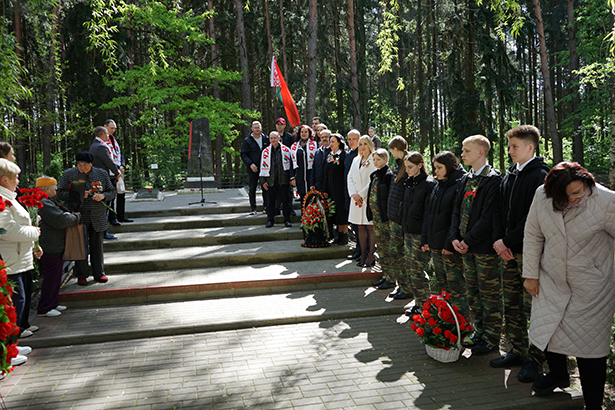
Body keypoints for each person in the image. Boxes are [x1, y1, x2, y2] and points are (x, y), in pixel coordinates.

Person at [523, 162, 615, 410]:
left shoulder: (606, 201)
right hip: (550, 279)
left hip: (592, 286)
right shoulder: (541, 196)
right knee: (549, 331)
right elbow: (533, 233)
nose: (576, 198)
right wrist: (530, 274)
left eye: (579, 192)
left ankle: (593, 404)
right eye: (568, 196)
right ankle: (557, 375)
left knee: (590, 347)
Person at [490, 125, 549, 382]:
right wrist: (499, 241)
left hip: (530, 252)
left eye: (515, 146)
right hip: (508, 251)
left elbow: (533, 219)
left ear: (530, 147)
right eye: (509, 146)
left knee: (532, 307)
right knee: (511, 303)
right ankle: (517, 349)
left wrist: (507, 240)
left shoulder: (541, 176)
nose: (510, 151)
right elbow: (498, 211)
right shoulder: (509, 176)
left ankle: (535, 361)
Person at [449, 135, 502, 355]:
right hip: (464, 247)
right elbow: (456, 211)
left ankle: (491, 338)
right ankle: (479, 331)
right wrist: (454, 237)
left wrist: (467, 240)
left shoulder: (493, 180)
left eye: (466, 150)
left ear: (481, 152)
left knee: (489, 294)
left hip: (482, 249)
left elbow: (488, 216)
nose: (462, 154)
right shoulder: (465, 179)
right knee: (473, 292)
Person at [0, 158, 40, 365]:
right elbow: (7, 230)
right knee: (13, 304)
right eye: (16, 177)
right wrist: (34, 232)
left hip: (19, 259)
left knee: (18, 304)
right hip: (10, 260)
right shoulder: (2, 200)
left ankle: (11, 346)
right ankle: (7, 350)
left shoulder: (10, 198)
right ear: (5, 179)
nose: (18, 181)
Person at [57, 152, 116, 286]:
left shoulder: (101, 173)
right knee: (80, 246)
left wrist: (103, 196)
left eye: (84, 165)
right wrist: (76, 194)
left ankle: (99, 273)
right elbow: (60, 193)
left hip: (97, 215)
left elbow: (112, 191)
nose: (81, 168)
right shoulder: (69, 174)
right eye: (79, 165)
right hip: (79, 215)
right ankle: (81, 274)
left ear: (91, 164)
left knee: (97, 246)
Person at [421, 151, 468, 316]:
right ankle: (446, 321)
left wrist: (449, 244)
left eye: (440, 168)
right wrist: (426, 239)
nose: (436, 172)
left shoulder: (459, 184)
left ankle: (462, 324)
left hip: (449, 247)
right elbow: (429, 214)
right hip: (436, 245)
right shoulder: (438, 184)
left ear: (449, 166)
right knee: (442, 286)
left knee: (456, 287)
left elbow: (456, 218)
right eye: (435, 168)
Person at [36, 176, 80, 317]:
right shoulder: (43, 203)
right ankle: (44, 307)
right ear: (47, 188)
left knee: (56, 276)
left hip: (55, 245)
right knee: (51, 277)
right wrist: (77, 217)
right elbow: (60, 220)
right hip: (50, 246)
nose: (56, 192)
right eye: (55, 189)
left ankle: (52, 303)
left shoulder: (46, 201)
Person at [401, 152, 436, 312]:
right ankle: (418, 303)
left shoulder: (429, 184)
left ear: (420, 165)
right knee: (410, 268)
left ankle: (426, 307)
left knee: (417, 270)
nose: (407, 170)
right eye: (405, 167)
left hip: (420, 235)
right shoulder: (410, 182)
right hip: (408, 232)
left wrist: (425, 238)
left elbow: (428, 213)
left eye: (410, 167)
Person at [347, 135, 377, 266]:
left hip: (366, 198)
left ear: (370, 145)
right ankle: (362, 254)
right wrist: (354, 194)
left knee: (369, 227)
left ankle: (371, 255)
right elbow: (350, 178)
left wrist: (361, 194)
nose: (363, 146)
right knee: (359, 226)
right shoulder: (355, 160)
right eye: (360, 144)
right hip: (356, 199)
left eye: (365, 143)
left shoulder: (373, 160)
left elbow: (373, 180)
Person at [386, 136, 410, 297]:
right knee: (394, 253)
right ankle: (401, 285)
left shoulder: (407, 165)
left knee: (397, 253)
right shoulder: (399, 165)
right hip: (394, 216)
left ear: (396, 149)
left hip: (400, 218)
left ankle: (407, 288)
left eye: (392, 151)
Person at [367, 149, 394, 287]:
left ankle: (391, 277)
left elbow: (389, 198)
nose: (376, 162)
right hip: (376, 218)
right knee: (381, 248)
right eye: (374, 159)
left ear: (385, 160)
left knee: (387, 247)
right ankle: (385, 274)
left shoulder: (389, 176)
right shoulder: (374, 175)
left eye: (378, 159)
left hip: (385, 219)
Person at [90, 126, 120, 240]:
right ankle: (103, 232)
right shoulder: (101, 147)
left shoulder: (95, 145)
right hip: (103, 179)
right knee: (106, 206)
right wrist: (117, 172)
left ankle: (102, 231)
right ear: (102, 134)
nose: (109, 135)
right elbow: (109, 162)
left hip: (100, 178)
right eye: (107, 133)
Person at [260, 131, 293, 228]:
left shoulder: (286, 150)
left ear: (279, 138)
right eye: (271, 138)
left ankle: (287, 220)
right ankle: (270, 220)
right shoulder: (265, 151)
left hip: (283, 180)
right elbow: (262, 166)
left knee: (285, 201)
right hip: (271, 181)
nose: (273, 140)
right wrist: (263, 181)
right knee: (271, 202)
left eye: (275, 138)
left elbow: (291, 165)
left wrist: (291, 178)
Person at [104, 119, 133, 224]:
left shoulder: (113, 139)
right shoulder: (103, 140)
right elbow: (107, 157)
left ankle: (121, 215)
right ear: (105, 126)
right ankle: (112, 218)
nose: (113, 130)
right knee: (111, 195)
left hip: (119, 170)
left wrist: (122, 166)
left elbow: (119, 153)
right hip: (110, 172)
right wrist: (116, 168)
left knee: (121, 193)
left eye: (114, 128)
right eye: (111, 128)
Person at [322, 133, 348, 245]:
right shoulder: (329, 154)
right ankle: (338, 235)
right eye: (330, 141)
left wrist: (334, 160)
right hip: (331, 188)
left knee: (342, 212)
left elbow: (339, 167)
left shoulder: (343, 154)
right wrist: (324, 190)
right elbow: (325, 173)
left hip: (340, 188)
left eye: (333, 141)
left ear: (339, 142)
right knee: (335, 212)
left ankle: (344, 235)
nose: (330, 144)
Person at [240, 121, 269, 215]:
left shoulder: (266, 139)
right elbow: (243, 154)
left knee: (266, 187)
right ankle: (253, 208)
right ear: (252, 129)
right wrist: (250, 164)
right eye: (255, 127)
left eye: (259, 127)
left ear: (261, 128)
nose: (257, 129)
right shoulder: (247, 140)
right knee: (252, 188)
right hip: (253, 168)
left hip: (265, 168)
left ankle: (266, 207)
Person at [344, 130, 361, 261]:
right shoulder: (349, 154)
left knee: (361, 226)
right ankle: (358, 249)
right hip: (349, 193)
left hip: (360, 195)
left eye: (353, 139)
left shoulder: (362, 154)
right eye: (349, 139)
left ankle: (363, 250)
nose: (351, 142)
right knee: (354, 225)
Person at [291, 125, 318, 206]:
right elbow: (291, 163)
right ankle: (304, 217)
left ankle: (312, 217)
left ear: (309, 133)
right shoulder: (294, 146)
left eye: (306, 132)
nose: (303, 133)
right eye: (302, 132)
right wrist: (292, 177)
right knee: (303, 199)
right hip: (300, 176)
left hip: (311, 175)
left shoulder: (315, 144)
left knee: (312, 198)